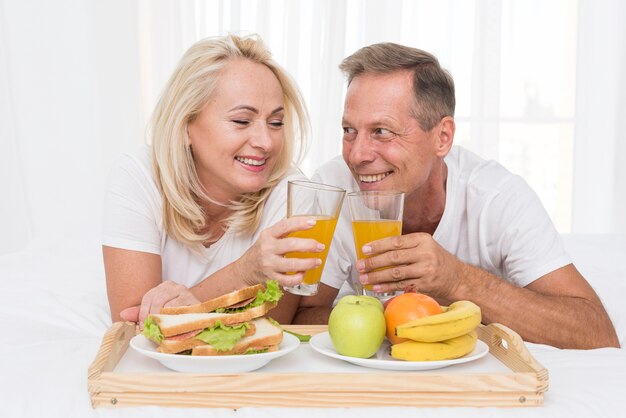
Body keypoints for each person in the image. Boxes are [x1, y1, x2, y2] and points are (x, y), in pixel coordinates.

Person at [294, 42, 619, 349]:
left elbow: (596, 332)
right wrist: (398, 317)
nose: (357, 155)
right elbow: (304, 315)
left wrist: (458, 280)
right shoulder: (333, 188)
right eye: (349, 130)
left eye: (382, 131)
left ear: (442, 137)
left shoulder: (497, 197)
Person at [103, 34, 324, 326]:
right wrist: (244, 272)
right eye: (242, 121)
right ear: (185, 126)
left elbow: (271, 330)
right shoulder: (139, 175)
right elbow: (133, 328)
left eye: (275, 123)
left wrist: (183, 307)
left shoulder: (294, 193)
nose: (266, 142)